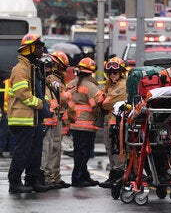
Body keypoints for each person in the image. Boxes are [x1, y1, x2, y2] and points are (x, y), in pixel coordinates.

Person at [7, 33, 53, 194]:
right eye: (39, 47)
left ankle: (33, 180)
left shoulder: (33, 68)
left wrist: (44, 102)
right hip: (23, 118)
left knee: (35, 152)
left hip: (33, 118)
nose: (42, 50)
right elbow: (22, 93)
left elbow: (37, 90)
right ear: (29, 49)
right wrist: (40, 104)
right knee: (22, 153)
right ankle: (14, 182)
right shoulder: (21, 69)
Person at [65, 56, 101, 188]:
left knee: (79, 151)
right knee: (84, 153)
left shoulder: (71, 84)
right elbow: (95, 105)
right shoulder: (91, 87)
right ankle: (78, 178)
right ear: (91, 71)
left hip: (74, 123)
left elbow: (66, 101)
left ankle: (84, 175)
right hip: (87, 125)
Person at [96, 56, 128, 188]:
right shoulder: (110, 85)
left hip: (118, 122)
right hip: (110, 121)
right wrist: (103, 97)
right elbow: (97, 98)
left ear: (120, 72)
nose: (112, 75)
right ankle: (114, 173)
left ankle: (119, 174)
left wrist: (103, 98)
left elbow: (106, 103)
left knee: (117, 150)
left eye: (115, 72)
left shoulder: (122, 85)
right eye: (110, 73)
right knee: (109, 149)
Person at [41, 50, 70, 189]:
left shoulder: (57, 79)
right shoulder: (52, 79)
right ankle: (49, 177)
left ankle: (55, 177)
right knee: (51, 148)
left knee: (56, 148)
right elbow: (62, 98)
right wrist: (68, 95)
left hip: (57, 118)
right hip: (51, 118)